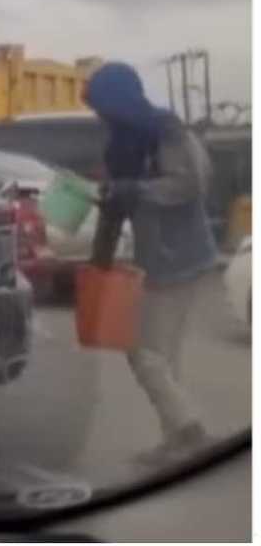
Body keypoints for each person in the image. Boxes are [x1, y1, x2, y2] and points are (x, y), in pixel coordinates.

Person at [83, 62, 218, 465]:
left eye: (103, 105)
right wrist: (99, 263)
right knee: (163, 355)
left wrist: (135, 190)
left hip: (183, 255)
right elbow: (116, 206)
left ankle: (190, 429)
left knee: (142, 351)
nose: (101, 115)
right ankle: (177, 442)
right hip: (154, 258)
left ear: (121, 99)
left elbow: (190, 183)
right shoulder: (120, 145)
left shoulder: (167, 131)